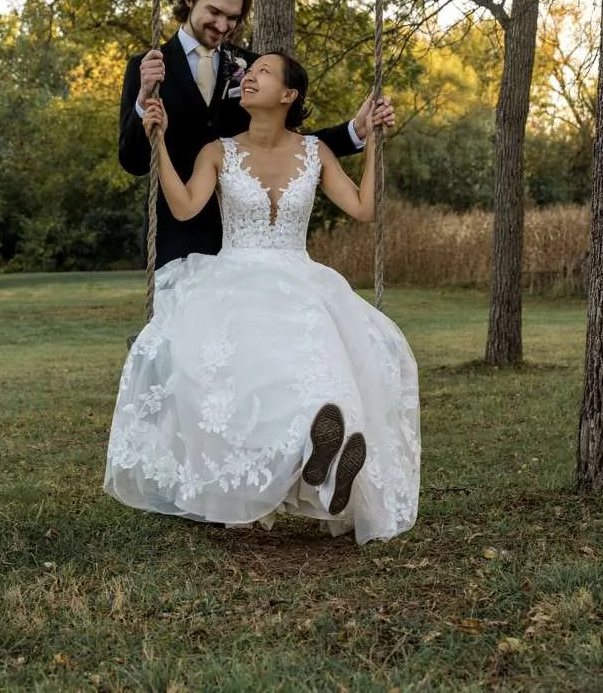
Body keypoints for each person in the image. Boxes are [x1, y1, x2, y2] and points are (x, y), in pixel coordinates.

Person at [104, 51, 420, 541]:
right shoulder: (218, 151)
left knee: (319, 367)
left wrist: (374, 140)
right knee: (249, 377)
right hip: (235, 277)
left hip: (299, 277)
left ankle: (326, 465)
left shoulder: (315, 151)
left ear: (289, 94)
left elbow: (364, 208)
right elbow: (184, 208)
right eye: (249, 73)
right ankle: (311, 467)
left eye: (263, 73)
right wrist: (159, 141)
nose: (249, 77)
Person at [117, 0, 395, 269]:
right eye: (215, 12)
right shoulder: (148, 67)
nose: (223, 26)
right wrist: (143, 100)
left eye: (232, 18)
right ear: (190, 0)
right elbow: (133, 162)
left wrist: (355, 130)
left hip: (248, 247)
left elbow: (289, 147)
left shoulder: (251, 68)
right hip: (176, 241)